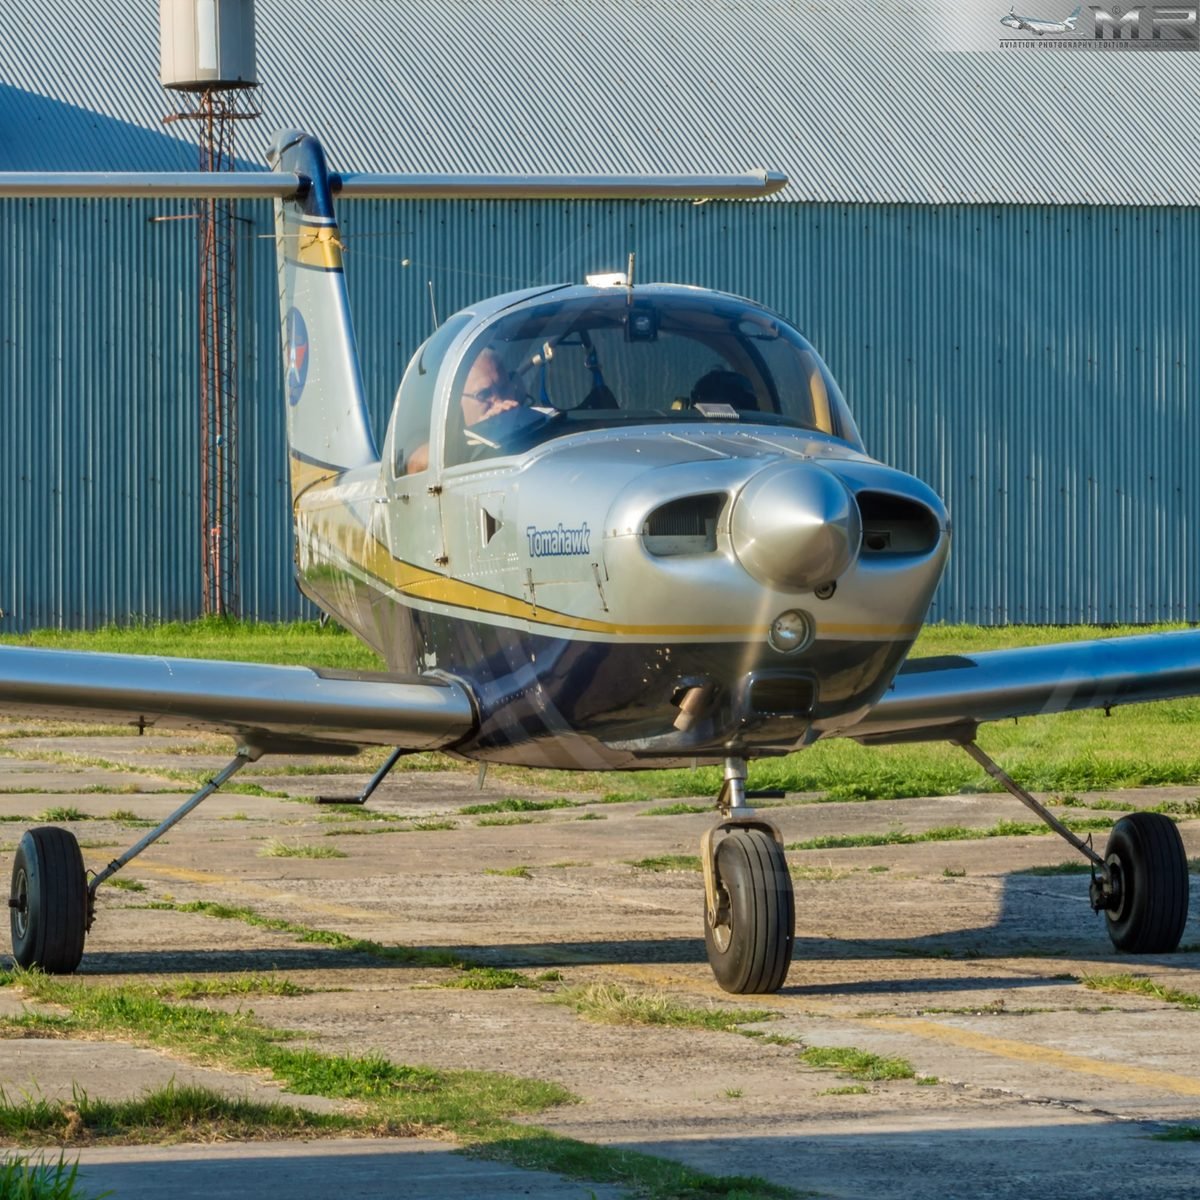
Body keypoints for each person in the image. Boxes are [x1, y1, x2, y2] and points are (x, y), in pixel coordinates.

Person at [406, 348, 522, 474]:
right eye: (483, 395)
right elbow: (416, 464)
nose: (499, 402)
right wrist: (476, 435)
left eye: (504, 388)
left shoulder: (536, 424)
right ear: (456, 404)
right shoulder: (439, 438)